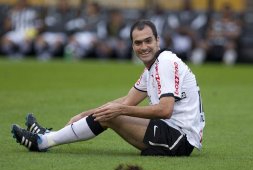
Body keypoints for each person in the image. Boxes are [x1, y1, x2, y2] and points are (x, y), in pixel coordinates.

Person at [11, 20, 205, 156]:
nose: (144, 47)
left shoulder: (165, 61)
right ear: (132, 45)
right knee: (110, 111)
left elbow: (165, 110)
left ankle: (43, 142)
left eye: (148, 41)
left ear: (158, 41)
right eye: (138, 43)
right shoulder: (152, 69)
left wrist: (118, 110)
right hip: (171, 134)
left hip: (180, 140)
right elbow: (126, 101)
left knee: (112, 114)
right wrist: (85, 114)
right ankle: (47, 136)